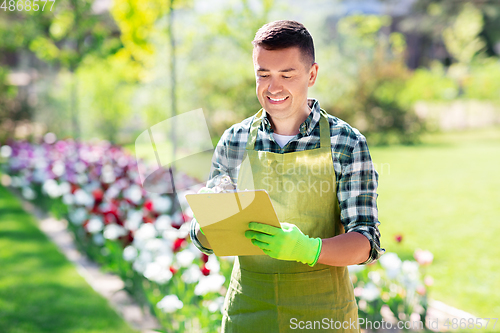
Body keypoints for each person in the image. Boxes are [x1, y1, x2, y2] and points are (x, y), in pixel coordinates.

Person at [190, 20, 384, 332]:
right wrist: (207, 222)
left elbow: (365, 243)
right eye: (263, 74)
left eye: (286, 75)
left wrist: (307, 249)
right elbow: (205, 240)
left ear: (311, 74)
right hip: (248, 313)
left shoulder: (345, 142)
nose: (273, 87)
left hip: (323, 316)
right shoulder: (235, 140)